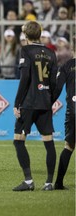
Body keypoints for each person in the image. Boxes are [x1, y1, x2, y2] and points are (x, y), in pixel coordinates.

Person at [12, 21, 58, 191]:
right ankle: (49, 183)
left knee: (18, 141)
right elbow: (54, 82)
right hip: (45, 103)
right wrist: (49, 100)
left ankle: (29, 181)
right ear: (40, 33)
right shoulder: (51, 53)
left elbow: (24, 79)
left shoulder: (25, 50)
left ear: (25, 35)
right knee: (49, 142)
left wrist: (17, 103)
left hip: (29, 103)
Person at [53, 41, 75, 190]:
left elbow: (57, 89)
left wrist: (46, 104)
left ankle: (58, 183)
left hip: (72, 111)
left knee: (68, 146)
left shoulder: (67, 66)